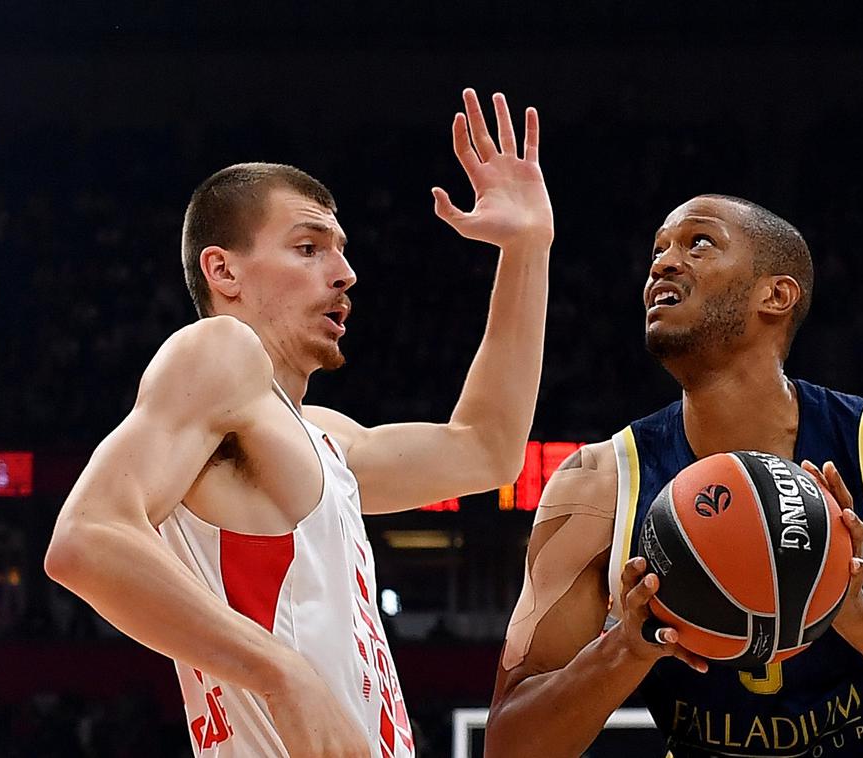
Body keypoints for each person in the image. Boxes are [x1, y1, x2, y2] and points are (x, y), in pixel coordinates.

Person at [45, 88, 552, 758]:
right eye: (309, 248)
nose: (344, 274)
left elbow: (487, 449)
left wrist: (528, 249)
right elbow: (85, 538)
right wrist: (282, 675)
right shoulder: (220, 354)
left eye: (340, 252)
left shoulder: (322, 435)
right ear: (223, 269)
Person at [486, 194, 863, 757]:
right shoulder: (596, 485)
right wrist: (625, 649)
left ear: (775, 295)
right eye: (659, 249)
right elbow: (508, 746)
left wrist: (855, 611)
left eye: (698, 243)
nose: (663, 263)